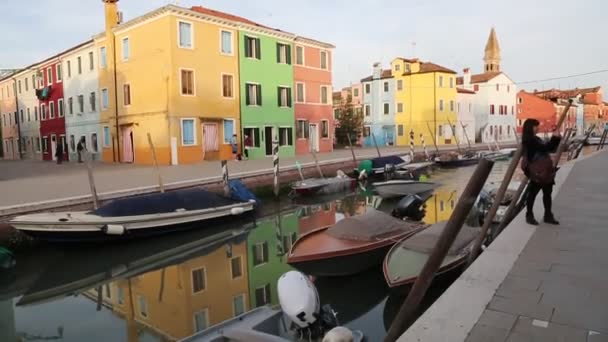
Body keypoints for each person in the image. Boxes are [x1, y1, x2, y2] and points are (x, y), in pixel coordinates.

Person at [521, 119, 561, 225]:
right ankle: (529, 215)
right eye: (536, 126)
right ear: (530, 128)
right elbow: (546, 148)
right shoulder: (529, 141)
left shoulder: (536, 139)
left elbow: (550, 148)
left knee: (547, 194)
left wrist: (556, 135)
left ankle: (548, 215)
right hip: (537, 172)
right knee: (532, 194)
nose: (538, 128)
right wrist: (555, 136)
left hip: (545, 171)